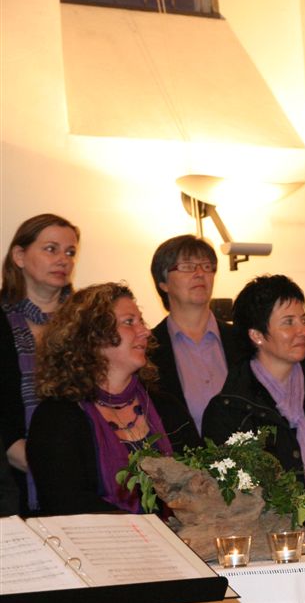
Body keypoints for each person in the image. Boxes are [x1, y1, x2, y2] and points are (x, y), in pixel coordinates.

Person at [202, 274, 305, 528]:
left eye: (303, 319)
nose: (303, 331)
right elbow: (233, 498)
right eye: (288, 322)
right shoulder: (230, 410)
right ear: (257, 335)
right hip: (270, 541)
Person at [27, 283, 200, 516]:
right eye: (129, 322)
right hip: (99, 538)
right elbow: (66, 504)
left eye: (141, 321)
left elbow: (202, 484)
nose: (145, 331)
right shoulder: (56, 417)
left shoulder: (166, 407)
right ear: (92, 337)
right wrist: (147, 529)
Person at [0, 213, 80, 514]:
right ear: (19, 256)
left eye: (70, 252)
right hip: (11, 479)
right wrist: (32, 460)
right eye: (51, 249)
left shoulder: (89, 323)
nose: (63, 260)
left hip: (83, 475)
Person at [149, 235, 245, 432]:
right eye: (187, 266)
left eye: (207, 266)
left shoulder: (243, 339)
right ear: (163, 282)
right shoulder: (147, 349)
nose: (200, 273)